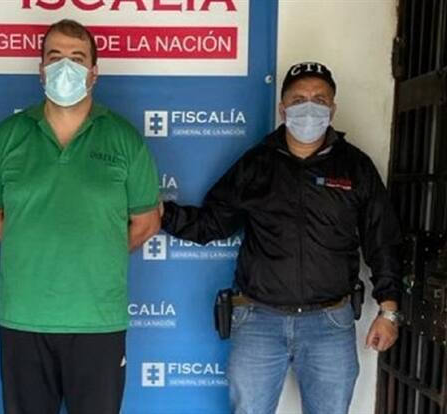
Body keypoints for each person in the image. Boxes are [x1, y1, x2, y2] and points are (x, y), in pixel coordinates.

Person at [162, 62, 402, 414]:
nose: (310, 108)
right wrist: (159, 213)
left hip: (329, 324)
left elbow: (382, 239)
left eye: (320, 100)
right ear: (282, 108)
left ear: (333, 109)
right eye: (299, 99)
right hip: (259, 321)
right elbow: (211, 223)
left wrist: (389, 311)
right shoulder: (256, 165)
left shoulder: (355, 168)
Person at [0, 19, 161, 414]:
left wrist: (96, 249)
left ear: (94, 72)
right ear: (41, 69)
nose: (65, 67)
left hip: (98, 319)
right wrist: (38, 245)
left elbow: (146, 223)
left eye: (77, 58)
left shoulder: (125, 138)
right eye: (55, 56)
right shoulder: (7, 136)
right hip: (24, 317)